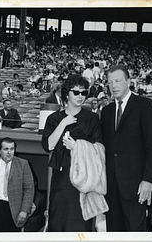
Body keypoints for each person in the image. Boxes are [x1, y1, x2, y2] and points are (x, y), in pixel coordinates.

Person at [101, 65, 152, 231]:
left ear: (128, 82)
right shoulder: (106, 111)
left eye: (118, 81)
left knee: (135, 233)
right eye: (110, 82)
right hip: (112, 187)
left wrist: (148, 180)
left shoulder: (144, 105)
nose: (114, 86)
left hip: (137, 186)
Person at [41, 74, 102, 232]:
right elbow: (48, 145)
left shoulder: (92, 118)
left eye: (84, 93)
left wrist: (77, 146)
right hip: (61, 178)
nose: (80, 96)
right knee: (58, 224)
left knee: (80, 226)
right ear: (67, 93)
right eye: (76, 92)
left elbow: (99, 149)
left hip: (83, 178)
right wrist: (63, 123)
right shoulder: (54, 119)